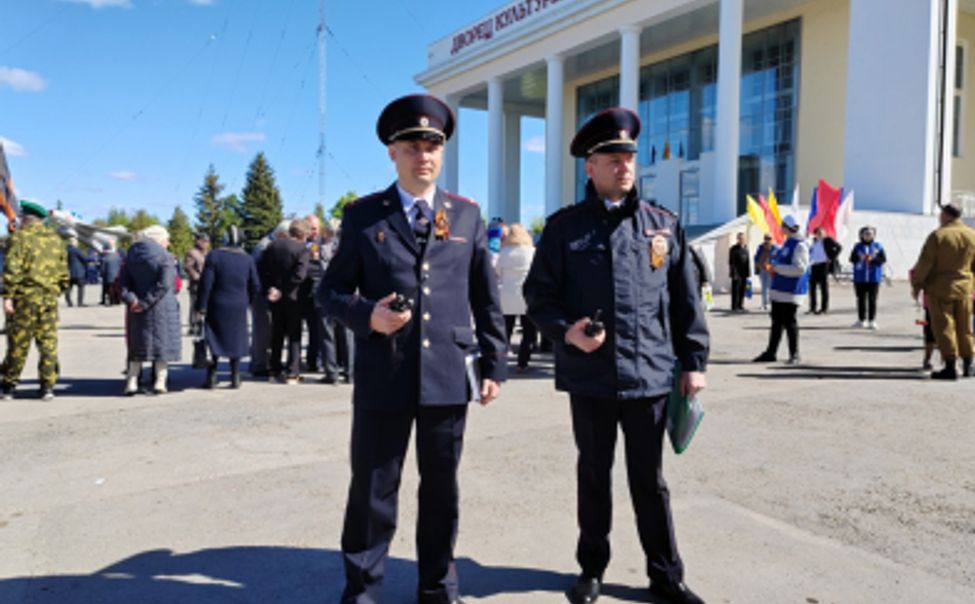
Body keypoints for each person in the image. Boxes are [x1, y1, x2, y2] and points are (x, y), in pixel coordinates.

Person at [320, 93, 506, 604]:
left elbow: (484, 297)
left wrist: (495, 363)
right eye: (411, 145)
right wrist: (368, 316)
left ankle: (437, 588)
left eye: (433, 145)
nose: (423, 154)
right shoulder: (363, 216)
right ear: (392, 153)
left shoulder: (465, 215)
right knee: (373, 492)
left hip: (447, 375)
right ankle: (362, 589)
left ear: (442, 152)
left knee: (442, 493)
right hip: (385, 375)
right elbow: (328, 293)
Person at [523, 107, 709, 604]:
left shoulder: (662, 226)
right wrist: (567, 332)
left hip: (649, 376)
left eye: (628, 156)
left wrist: (693, 363)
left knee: (650, 482)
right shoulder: (564, 229)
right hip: (591, 377)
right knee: (594, 477)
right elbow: (538, 297)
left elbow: (686, 299)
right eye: (611, 157)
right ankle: (591, 570)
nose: (623, 165)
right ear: (590, 166)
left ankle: (666, 576)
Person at [1, 200, 69, 400]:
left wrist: (8, 297)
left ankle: (9, 386)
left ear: (25, 220)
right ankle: (47, 386)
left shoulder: (19, 239)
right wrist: (53, 291)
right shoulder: (56, 240)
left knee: (18, 343)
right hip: (48, 300)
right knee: (48, 343)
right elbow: (65, 275)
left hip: (24, 299)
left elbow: (12, 270)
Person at [910, 202, 975, 379]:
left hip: (941, 288)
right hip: (964, 288)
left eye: (941, 214)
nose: (939, 217)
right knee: (965, 327)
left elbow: (925, 264)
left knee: (944, 326)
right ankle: (969, 365)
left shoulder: (938, 236)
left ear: (946, 215)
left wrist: (917, 285)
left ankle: (950, 366)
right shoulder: (972, 235)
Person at [195, 225, 260, 389]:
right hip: (239, 304)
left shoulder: (214, 256)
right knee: (236, 339)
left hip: (217, 303)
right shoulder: (247, 259)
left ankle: (211, 376)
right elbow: (255, 285)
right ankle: (235, 376)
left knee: (214, 338)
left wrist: (201, 305)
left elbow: (206, 284)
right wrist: (249, 301)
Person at [120, 226, 182, 395]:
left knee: (137, 345)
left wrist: (133, 300)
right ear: (159, 239)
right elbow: (164, 284)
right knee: (162, 345)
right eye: (166, 239)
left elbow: (124, 283)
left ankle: (131, 382)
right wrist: (146, 302)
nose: (168, 242)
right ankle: (160, 382)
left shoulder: (131, 255)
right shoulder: (165, 257)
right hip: (161, 306)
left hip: (136, 307)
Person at [753, 215, 810, 365]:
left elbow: (799, 269)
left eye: (783, 225)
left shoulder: (800, 245)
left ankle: (795, 354)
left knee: (790, 321)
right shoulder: (787, 243)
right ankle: (771, 352)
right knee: (776, 322)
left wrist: (776, 268)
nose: (781, 227)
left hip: (791, 290)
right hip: (779, 289)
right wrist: (771, 266)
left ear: (790, 227)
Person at [259, 218, 310, 384]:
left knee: (277, 332)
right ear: (303, 234)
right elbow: (300, 275)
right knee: (294, 334)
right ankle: (292, 371)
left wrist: (272, 288)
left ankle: (274, 369)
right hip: (293, 297)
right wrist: (283, 290)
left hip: (274, 295)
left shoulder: (272, 246)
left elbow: (263, 270)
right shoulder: (302, 249)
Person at [248, 221, 288, 377]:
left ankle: (260, 361)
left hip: (261, 292)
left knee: (264, 329)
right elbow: (259, 273)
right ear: (281, 234)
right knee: (262, 330)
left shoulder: (266, 244)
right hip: (260, 294)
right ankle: (259, 365)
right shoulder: (266, 247)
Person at [498, 223, 537, 371]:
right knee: (529, 332)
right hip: (527, 295)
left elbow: (497, 272)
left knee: (505, 331)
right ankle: (522, 363)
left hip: (507, 295)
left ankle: (500, 361)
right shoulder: (532, 252)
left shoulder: (504, 252)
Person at [850, 226, 886, 330]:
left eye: (870, 234)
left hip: (873, 277)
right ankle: (861, 320)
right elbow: (851, 258)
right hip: (860, 277)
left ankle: (872, 320)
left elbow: (883, 259)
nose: (868, 236)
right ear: (862, 235)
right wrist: (859, 258)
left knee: (872, 299)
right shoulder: (857, 246)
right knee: (860, 299)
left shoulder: (878, 246)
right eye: (866, 234)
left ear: (874, 235)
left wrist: (873, 260)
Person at [184, 233, 209, 336]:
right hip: (196, 284)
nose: (206, 244)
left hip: (207, 283)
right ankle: (194, 326)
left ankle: (204, 325)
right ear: (198, 241)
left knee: (205, 305)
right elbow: (188, 267)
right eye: (204, 241)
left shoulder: (208, 253)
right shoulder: (192, 253)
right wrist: (196, 276)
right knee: (195, 306)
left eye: (207, 242)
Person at [753, 234, 778, 310]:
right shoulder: (760, 247)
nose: (767, 240)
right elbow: (756, 257)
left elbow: (777, 258)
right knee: (764, 287)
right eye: (766, 239)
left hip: (770, 270)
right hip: (762, 269)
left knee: (770, 286)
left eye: (769, 239)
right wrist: (757, 265)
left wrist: (772, 264)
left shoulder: (775, 248)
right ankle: (764, 303)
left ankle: (770, 303)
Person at [728, 232, 750, 311]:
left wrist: (748, 273)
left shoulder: (746, 248)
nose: (741, 240)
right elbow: (731, 262)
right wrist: (733, 273)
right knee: (736, 290)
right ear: (737, 239)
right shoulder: (733, 249)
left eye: (743, 238)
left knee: (742, 289)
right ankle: (734, 306)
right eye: (740, 238)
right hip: (736, 273)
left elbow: (747, 262)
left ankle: (741, 305)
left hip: (744, 273)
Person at [64, 237, 87, 307]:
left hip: (69, 271)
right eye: (76, 242)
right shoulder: (76, 250)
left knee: (69, 288)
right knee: (81, 287)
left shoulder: (66, 250)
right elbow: (84, 258)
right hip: (78, 272)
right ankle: (80, 303)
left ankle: (69, 302)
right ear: (74, 242)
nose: (77, 243)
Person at [100, 240, 123, 305]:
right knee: (117, 289)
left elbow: (103, 269)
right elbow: (120, 265)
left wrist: (102, 275)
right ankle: (118, 300)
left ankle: (111, 301)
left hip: (109, 276)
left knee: (110, 289)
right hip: (117, 276)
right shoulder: (118, 257)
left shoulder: (105, 258)